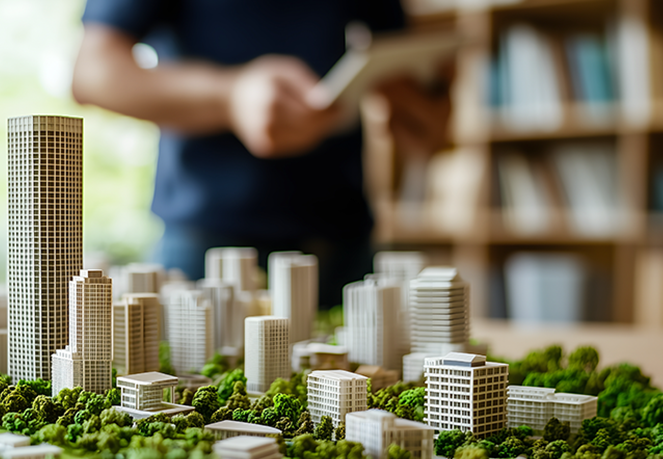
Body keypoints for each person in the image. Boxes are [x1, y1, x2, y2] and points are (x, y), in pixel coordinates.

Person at [72, 1, 451, 306]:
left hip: (343, 244)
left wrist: (426, 107)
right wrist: (230, 96)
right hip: (209, 246)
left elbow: (403, 76)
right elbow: (93, 71)